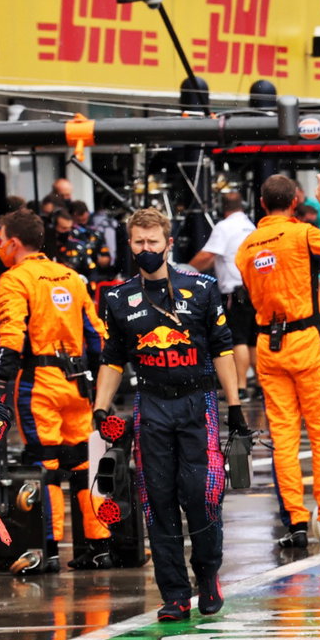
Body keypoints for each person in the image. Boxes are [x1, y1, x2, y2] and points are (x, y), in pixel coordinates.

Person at [93, 208, 246, 617]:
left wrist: (235, 406)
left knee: (200, 496)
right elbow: (111, 358)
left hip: (199, 404)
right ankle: (174, 595)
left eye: (153, 242)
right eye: (139, 243)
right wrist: (100, 406)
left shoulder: (202, 288)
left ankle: (208, 575)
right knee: (157, 502)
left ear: (168, 243)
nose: (146, 249)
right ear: (130, 244)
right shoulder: (118, 298)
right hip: (151, 406)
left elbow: (223, 348)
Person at [235, 173, 320, 549]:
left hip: (267, 344)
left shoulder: (246, 247)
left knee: (284, 437)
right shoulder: (303, 233)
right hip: (307, 339)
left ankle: (294, 523)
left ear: (262, 203)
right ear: (295, 201)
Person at [0, 209, 113, 573]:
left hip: (39, 385)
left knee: (44, 463)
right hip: (78, 383)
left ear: (14, 242)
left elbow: (12, 333)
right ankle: (99, 545)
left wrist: (1, 379)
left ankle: (45, 548)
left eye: (0, 238)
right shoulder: (71, 277)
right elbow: (97, 335)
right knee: (82, 461)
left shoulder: (15, 280)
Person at [190, 192, 257, 398]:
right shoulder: (250, 226)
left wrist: (185, 270)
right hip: (255, 288)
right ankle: (262, 385)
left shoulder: (224, 227)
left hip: (236, 291)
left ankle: (241, 386)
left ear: (223, 208)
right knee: (255, 339)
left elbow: (208, 255)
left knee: (239, 339)